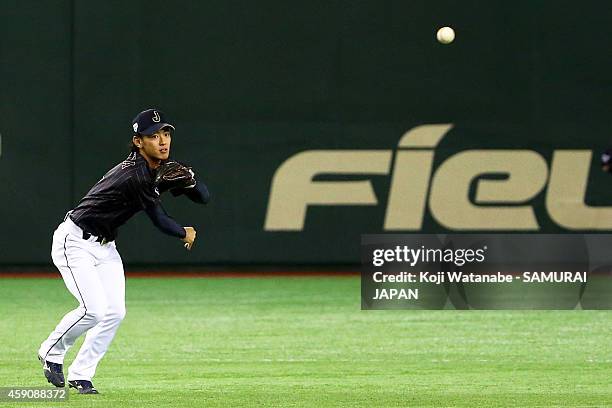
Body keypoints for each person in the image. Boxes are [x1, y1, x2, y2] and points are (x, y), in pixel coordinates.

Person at [38, 109, 210, 394]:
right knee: (93, 310)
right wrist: (184, 232)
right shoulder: (136, 175)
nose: (163, 141)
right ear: (138, 141)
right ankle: (51, 352)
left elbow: (203, 197)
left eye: (165, 133)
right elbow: (160, 220)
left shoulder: (156, 169)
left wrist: (191, 180)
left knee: (114, 312)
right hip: (75, 241)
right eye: (153, 136)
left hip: (105, 246)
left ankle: (81, 375)